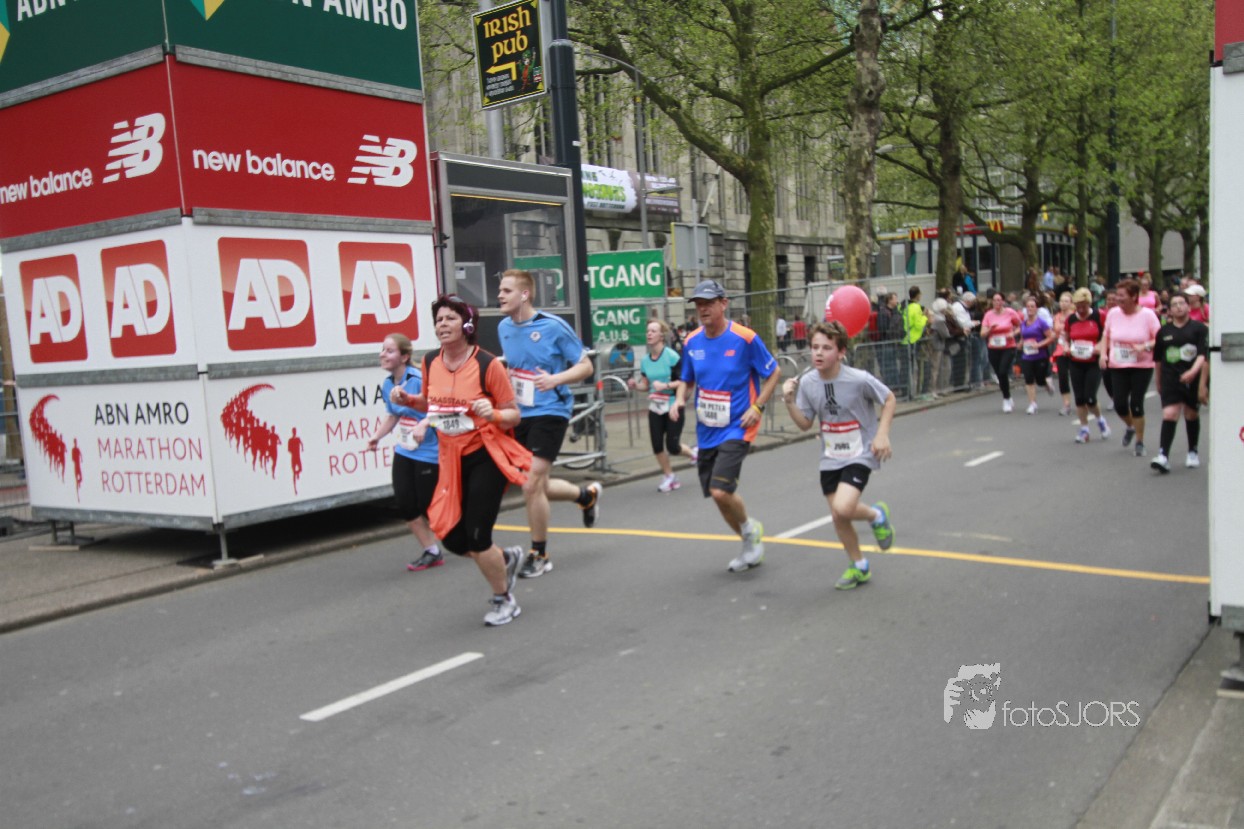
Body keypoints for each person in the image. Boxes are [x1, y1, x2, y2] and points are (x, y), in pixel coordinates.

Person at [393, 295, 530, 626]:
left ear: (467, 325)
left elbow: (513, 415)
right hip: (449, 457)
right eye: (438, 319)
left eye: (450, 319)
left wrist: (493, 413)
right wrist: (409, 399)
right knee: (454, 538)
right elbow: (432, 403)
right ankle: (504, 559)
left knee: (478, 536)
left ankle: (504, 600)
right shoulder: (430, 362)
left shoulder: (487, 364)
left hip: (485, 455)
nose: (442, 324)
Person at [497, 269, 601, 579]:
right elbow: (514, 364)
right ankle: (585, 496)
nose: (500, 295)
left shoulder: (553, 326)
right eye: (500, 290)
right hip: (521, 414)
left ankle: (539, 554)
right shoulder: (504, 327)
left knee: (531, 484)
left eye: (506, 291)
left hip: (551, 411)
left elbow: (585, 365)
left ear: (524, 294)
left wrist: (556, 379)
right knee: (537, 485)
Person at [673, 279, 781, 572]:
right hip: (707, 430)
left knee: (721, 490)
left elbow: (773, 372)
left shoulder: (745, 338)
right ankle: (749, 539)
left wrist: (758, 407)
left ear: (724, 303)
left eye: (708, 303)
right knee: (717, 495)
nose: (703, 309)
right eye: (698, 304)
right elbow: (687, 379)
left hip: (738, 426)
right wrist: (679, 400)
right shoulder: (692, 341)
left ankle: (749, 530)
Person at [781, 321, 896, 589]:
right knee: (838, 516)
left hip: (860, 452)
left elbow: (889, 399)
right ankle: (859, 565)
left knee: (843, 507)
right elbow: (805, 424)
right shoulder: (808, 383)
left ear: (841, 352)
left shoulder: (858, 379)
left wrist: (882, 434)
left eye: (827, 348)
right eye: (815, 347)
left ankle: (875, 516)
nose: (819, 353)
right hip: (830, 456)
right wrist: (788, 401)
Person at [366, 333, 445, 572]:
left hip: (429, 451)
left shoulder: (419, 379)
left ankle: (466, 534)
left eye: (389, 351)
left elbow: (441, 409)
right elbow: (393, 415)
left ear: (404, 356)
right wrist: (377, 436)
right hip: (406, 450)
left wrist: (424, 424)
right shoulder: (387, 384)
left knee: (427, 505)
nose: (383, 354)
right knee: (405, 503)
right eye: (382, 349)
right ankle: (431, 551)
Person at [632, 319, 695, 492]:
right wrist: (636, 386)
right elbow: (646, 385)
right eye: (648, 331)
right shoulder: (645, 360)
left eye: (653, 331)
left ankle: (693, 453)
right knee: (657, 445)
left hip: (673, 404)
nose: (649, 334)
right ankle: (669, 476)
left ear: (661, 336)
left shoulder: (672, 356)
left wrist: (665, 385)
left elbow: (684, 381)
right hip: (655, 407)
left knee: (673, 447)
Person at [1100, 278, 1161, 457]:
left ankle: (1140, 442)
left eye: (1122, 296)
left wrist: (1145, 346)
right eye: (1117, 295)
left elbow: (1160, 338)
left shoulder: (1148, 315)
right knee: (1119, 404)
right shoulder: (1113, 313)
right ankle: (1130, 426)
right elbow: (1106, 335)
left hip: (1141, 365)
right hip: (1118, 364)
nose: (1118, 299)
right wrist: (1103, 354)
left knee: (1136, 403)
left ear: (1134, 296)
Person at [1151, 292, 1209, 473]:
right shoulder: (1164, 332)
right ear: (1169, 310)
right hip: (1170, 378)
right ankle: (1163, 455)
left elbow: (1203, 355)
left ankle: (1192, 451)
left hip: (1192, 378)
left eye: (1181, 303)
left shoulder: (1199, 329)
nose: (1178, 307)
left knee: (1191, 414)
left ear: (1188, 306)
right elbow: (1158, 360)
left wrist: (1193, 373)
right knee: (1169, 414)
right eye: (1174, 304)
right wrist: (1158, 381)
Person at [1065, 288, 1110, 443]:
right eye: (1078, 306)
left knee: (1090, 398)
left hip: (1093, 362)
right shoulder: (1071, 319)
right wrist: (1065, 346)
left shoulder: (1099, 316)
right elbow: (1065, 337)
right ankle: (1084, 429)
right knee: (1079, 398)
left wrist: (1100, 347)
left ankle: (1100, 420)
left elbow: (1107, 336)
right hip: (1076, 361)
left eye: (1084, 306)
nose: (1081, 309)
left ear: (1089, 304)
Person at [981, 291, 1023, 412]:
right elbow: (982, 334)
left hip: (1008, 346)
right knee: (999, 374)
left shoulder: (1010, 312)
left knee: (1003, 370)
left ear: (1003, 301)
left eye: (999, 300)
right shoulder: (988, 315)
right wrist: (990, 329)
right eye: (995, 300)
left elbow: (1021, 326)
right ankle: (1007, 395)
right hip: (993, 347)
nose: (997, 302)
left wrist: (1013, 333)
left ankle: (1006, 399)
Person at [1018, 297, 1055, 414]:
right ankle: (1032, 404)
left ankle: (1047, 384)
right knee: (1029, 379)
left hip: (1040, 355)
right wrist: (1020, 344)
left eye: (1032, 306)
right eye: (1028, 307)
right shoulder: (1023, 324)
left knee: (1040, 379)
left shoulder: (1041, 323)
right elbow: (1023, 337)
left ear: (1036, 309)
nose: (1029, 309)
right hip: (1027, 356)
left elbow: (1051, 337)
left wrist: (1039, 345)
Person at [1051, 291, 1074, 415]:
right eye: (1061, 301)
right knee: (1062, 376)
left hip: (1074, 348)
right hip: (1060, 349)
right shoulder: (1057, 316)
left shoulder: (1075, 316)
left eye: (1066, 301)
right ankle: (1066, 404)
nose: (1063, 303)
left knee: (1076, 377)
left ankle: (1083, 401)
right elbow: (1055, 333)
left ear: (1071, 303)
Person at [903, 286, 928, 395]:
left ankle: (906, 391)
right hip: (913, 339)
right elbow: (918, 325)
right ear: (918, 295)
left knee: (906, 367)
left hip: (905, 339)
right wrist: (925, 317)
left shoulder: (904, 306)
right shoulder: (916, 307)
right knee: (915, 367)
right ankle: (914, 391)